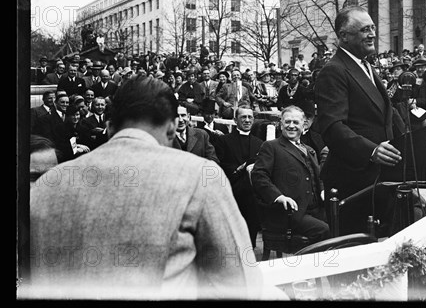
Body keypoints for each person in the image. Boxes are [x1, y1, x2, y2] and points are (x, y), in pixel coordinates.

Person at [29, 76, 264, 300]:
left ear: (110, 128)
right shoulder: (200, 176)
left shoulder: (47, 185)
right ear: (172, 129)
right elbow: (241, 283)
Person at [314, 6, 404, 236]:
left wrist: (412, 141)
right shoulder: (334, 71)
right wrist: (371, 151)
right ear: (343, 36)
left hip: (380, 179)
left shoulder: (366, 66)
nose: (372, 34)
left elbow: (387, 114)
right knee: (357, 260)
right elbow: (332, 128)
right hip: (353, 182)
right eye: (365, 29)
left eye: (373, 27)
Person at [251, 105, 330, 245]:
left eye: (296, 122)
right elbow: (259, 176)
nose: (291, 126)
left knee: (342, 223)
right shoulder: (271, 147)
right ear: (281, 125)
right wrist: (278, 197)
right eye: (287, 122)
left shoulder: (310, 150)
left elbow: (318, 176)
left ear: (304, 125)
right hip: (289, 212)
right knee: (323, 230)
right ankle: (312, 265)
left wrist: (323, 190)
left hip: (315, 209)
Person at [213, 105, 263, 248]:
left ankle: (250, 245)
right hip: (232, 187)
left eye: (250, 117)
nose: (247, 120)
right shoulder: (224, 140)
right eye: (243, 117)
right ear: (235, 120)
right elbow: (219, 165)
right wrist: (240, 168)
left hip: (252, 191)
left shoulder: (260, 143)